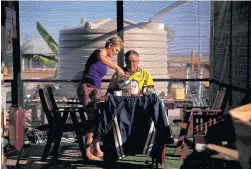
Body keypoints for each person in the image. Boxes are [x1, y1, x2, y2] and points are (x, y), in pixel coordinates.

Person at [77, 36, 125, 161]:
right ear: (109, 45)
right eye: (115, 50)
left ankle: (97, 150)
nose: (115, 53)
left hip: (94, 88)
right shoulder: (100, 51)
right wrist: (117, 67)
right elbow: (101, 57)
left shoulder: (106, 58)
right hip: (87, 87)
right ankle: (87, 153)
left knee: (98, 119)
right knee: (93, 120)